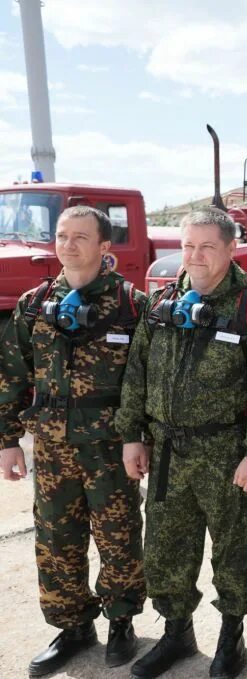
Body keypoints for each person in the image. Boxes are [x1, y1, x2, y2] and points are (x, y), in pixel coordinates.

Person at [115, 207, 247, 679]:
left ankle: (231, 638)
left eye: (207, 246)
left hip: (225, 452)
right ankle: (177, 633)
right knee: (167, 548)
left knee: (231, 549)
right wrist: (133, 436)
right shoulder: (161, 306)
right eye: (188, 246)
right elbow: (136, 374)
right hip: (168, 450)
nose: (195, 256)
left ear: (231, 249)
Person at [0, 206, 146, 676]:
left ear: (105, 246)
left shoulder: (131, 305)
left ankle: (121, 620)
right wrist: (7, 440)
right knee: (56, 540)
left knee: (118, 535)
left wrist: (138, 438)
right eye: (62, 236)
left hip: (110, 448)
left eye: (81, 236)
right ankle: (73, 625)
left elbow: (146, 381)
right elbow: (11, 376)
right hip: (52, 446)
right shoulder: (33, 302)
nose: (68, 244)